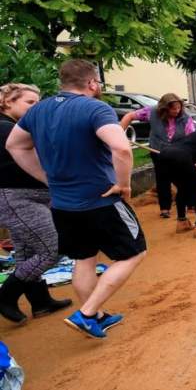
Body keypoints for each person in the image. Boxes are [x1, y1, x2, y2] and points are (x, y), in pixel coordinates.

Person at [6, 59, 146, 339]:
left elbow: (15, 145)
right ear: (92, 83)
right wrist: (123, 184)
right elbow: (122, 149)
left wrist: (46, 177)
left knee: (84, 259)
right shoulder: (95, 108)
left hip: (63, 205)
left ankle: (95, 316)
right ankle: (87, 313)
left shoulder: (39, 110)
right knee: (134, 253)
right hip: (101, 200)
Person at [0, 83, 72, 324]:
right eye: (29, 102)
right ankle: (5, 296)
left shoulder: (10, 126)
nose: (35, 107)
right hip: (17, 198)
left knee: (27, 252)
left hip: (27, 197)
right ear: (8, 101)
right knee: (52, 249)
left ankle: (40, 302)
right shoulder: (4, 128)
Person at [120, 93, 196, 218]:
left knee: (183, 177)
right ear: (164, 108)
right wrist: (120, 132)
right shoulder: (152, 112)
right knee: (163, 178)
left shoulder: (185, 118)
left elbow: (192, 137)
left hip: (178, 152)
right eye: (173, 108)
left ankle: (190, 203)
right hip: (158, 151)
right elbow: (129, 116)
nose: (177, 111)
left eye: (179, 108)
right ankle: (165, 208)